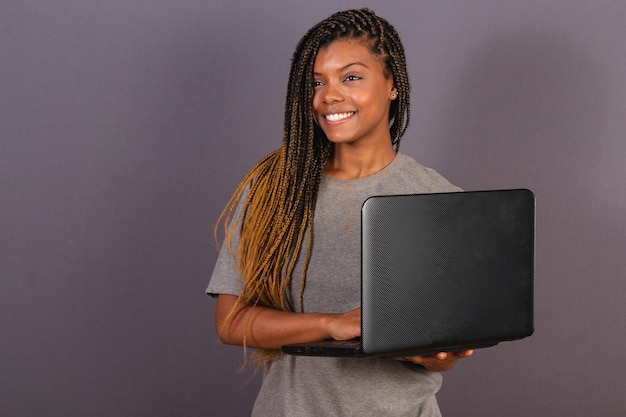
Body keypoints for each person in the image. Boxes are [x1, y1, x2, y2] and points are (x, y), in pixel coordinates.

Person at [207, 8, 473, 416]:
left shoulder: (438, 199)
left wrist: (433, 354)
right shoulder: (274, 190)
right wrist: (333, 325)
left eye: (350, 77)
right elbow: (231, 322)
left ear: (392, 85)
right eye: (317, 82)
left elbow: (444, 352)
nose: (328, 95)